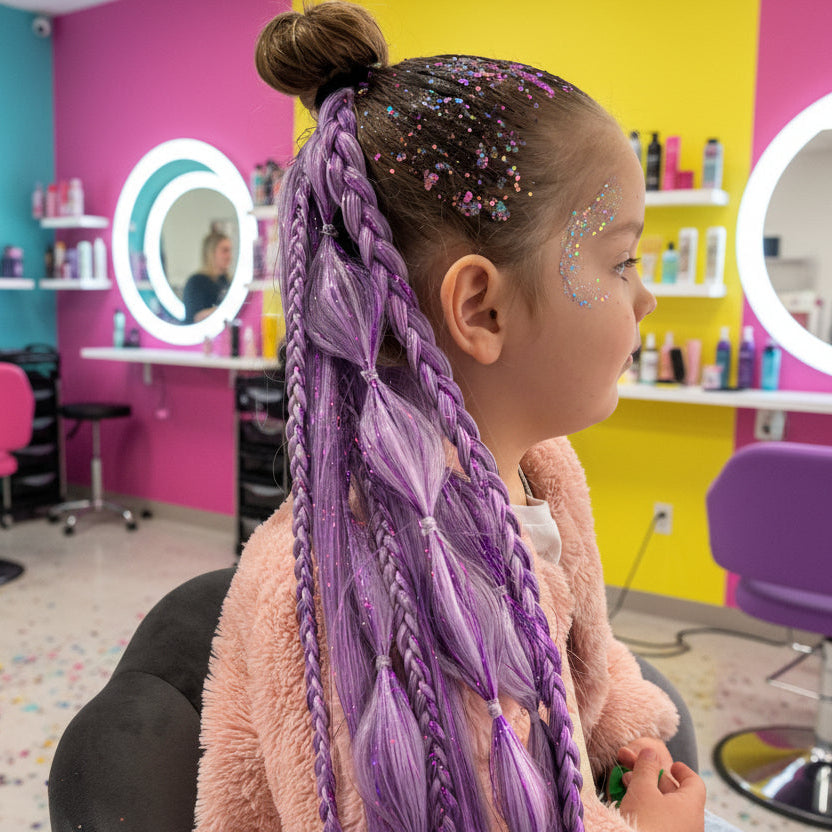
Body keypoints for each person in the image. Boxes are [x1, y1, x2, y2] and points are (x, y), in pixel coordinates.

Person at [195, 4, 739, 831]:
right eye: (622, 260)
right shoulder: (371, 598)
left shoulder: (540, 473)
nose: (647, 297)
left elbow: (578, 662)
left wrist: (629, 740)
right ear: (482, 308)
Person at [182, 230, 232, 324]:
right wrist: (227, 307)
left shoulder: (227, 281)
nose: (229, 256)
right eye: (225, 250)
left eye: (230, 250)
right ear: (211, 253)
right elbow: (196, 317)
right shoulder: (196, 282)